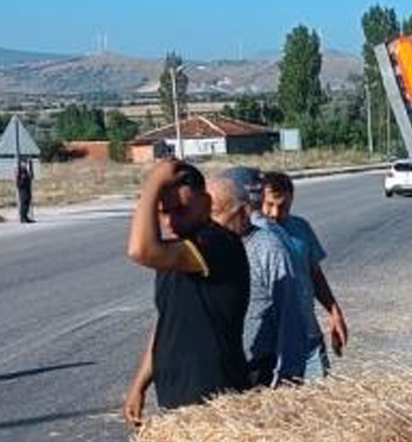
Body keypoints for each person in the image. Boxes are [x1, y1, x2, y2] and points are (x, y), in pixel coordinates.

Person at [123, 161, 250, 427]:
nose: (170, 221)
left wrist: (153, 183)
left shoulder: (217, 244)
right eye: (163, 212)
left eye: (180, 210)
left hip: (216, 399)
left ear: (205, 203)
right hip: (178, 397)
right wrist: (139, 384)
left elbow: (139, 250)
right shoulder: (176, 252)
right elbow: (167, 322)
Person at [211, 174, 307, 387]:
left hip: (259, 369)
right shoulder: (214, 247)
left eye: (215, 212)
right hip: (226, 368)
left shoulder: (267, 247)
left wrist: (289, 374)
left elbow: (290, 313)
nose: (210, 222)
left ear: (244, 212)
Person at [258, 170, 349, 380]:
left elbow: (314, 275)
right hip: (271, 344)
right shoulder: (253, 234)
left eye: (283, 207)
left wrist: (335, 313)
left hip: (308, 339)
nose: (274, 213)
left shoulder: (301, 228)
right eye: (269, 204)